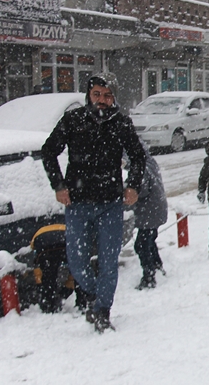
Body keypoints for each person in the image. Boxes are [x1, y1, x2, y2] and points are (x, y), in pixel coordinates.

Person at [42, 72, 146, 333]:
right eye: (97, 94)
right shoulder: (73, 119)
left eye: (107, 95)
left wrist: (132, 185)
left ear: (114, 98)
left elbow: (138, 156)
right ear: (89, 94)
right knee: (76, 262)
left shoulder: (121, 123)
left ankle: (102, 311)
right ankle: (92, 294)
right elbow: (49, 151)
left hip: (110, 203)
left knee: (109, 262)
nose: (102, 100)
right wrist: (59, 185)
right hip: (77, 204)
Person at [131, 143, 168, 290]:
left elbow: (140, 190)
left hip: (149, 212)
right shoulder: (149, 161)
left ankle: (149, 276)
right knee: (149, 240)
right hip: (156, 210)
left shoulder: (140, 168)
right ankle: (157, 265)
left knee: (140, 245)